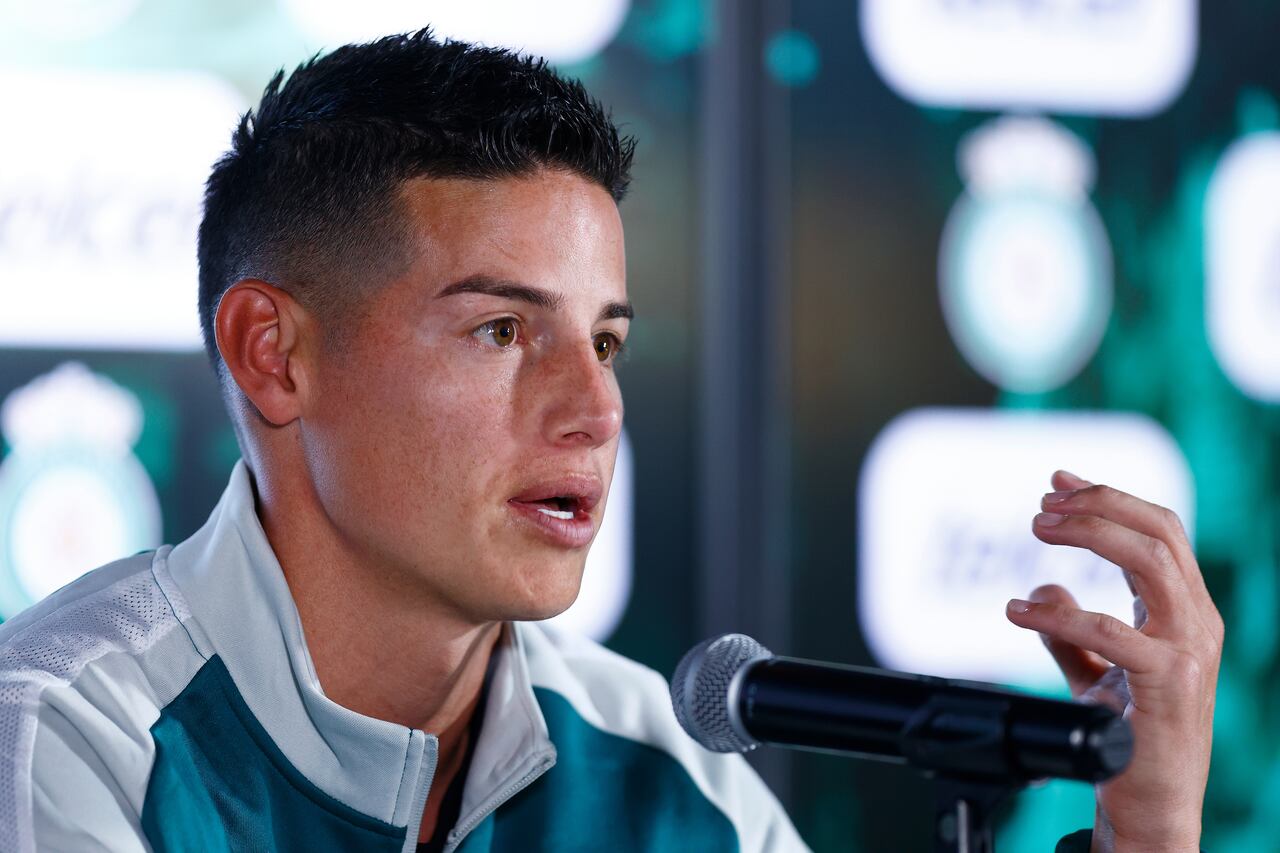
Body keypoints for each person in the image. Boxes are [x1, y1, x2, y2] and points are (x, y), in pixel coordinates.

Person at [0, 30, 1219, 853]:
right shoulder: (67, 737)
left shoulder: (674, 776)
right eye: (498, 331)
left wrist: (1145, 824)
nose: (594, 408)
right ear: (275, 353)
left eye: (609, 340)